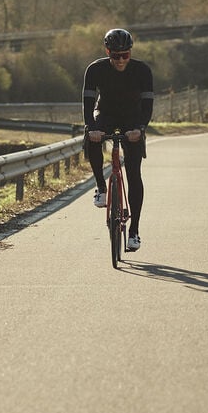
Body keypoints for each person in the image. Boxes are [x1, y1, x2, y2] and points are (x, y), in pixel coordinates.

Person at [82, 28, 154, 252]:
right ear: (107, 52)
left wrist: (141, 129)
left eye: (125, 55)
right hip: (106, 113)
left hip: (133, 118)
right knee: (92, 137)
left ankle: (134, 231)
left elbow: (148, 106)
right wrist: (91, 128)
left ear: (131, 53)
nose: (121, 60)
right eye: (115, 56)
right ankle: (102, 187)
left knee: (134, 173)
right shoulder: (95, 69)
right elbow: (87, 104)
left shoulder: (142, 71)